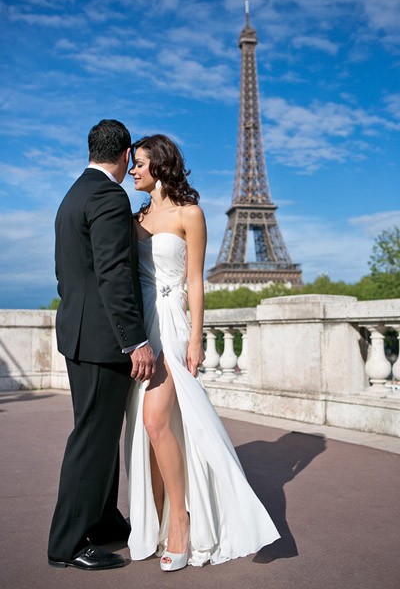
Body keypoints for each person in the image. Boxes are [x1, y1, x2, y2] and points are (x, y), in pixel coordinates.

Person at [125, 134, 280, 572]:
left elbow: (195, 280)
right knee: (152, 429)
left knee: (155, 422)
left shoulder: (190, 214)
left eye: (138, 163)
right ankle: (156, 524)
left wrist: (196, 337)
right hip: (143, 330)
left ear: (160, 163)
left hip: (173, 326)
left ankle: (182, 524)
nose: (133, 170)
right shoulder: (135, 218)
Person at [48, 119, 156, 571]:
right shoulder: (110, 198)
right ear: (127, 153)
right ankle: (67, 544)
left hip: (78, 335)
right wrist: (136, 342)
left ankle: (105, 521)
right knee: (92, 440)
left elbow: (67, 274)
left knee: (101, 436)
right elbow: (114, 276)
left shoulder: (73, 195)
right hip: (103, 340)